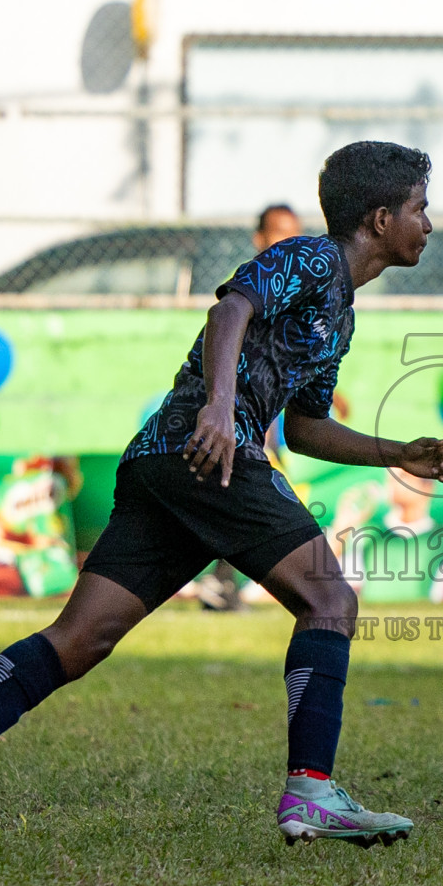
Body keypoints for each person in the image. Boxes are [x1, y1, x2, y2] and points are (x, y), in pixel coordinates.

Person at [0, 141, 443, 848]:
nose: (429, 223)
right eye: (420, 208)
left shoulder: (340, 312)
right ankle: (312, 790)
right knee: (330, 600)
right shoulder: (309, 259)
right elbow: (231, 312)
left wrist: (396, 453)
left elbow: (308, 427)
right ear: (380, 219)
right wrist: (220, 408)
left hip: (169, 462)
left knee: (80, 639)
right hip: (209, 455)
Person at [194, 202, 308, 611]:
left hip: (269, 424)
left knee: (238, 504)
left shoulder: (296, 290)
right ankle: (224, 583)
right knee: (240, 501)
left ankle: (223, 584)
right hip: (241, 421)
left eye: (295, 232)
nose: (289, 241)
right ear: (260, 239)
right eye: (280, 233)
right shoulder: (251, 288)